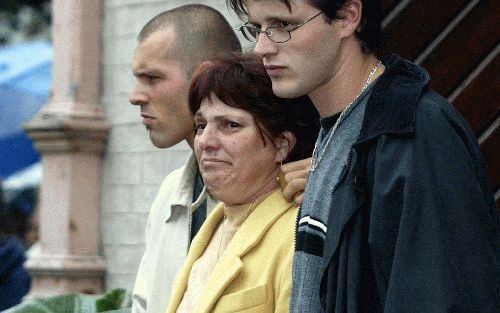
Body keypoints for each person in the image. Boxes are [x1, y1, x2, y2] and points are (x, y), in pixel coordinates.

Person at [228, 0, 499, 312]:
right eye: (257, 28)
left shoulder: (413, 133)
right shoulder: (338, 130)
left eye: (284, 26)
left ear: (347, 17)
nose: (261, 47)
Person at [128, 4, 311, 312]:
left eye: (152, 78)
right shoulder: (175, 195)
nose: (135, 95)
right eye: (201, 125)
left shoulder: (301, 216)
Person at [166, 53, 319, 313]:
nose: (205, 141)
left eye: (230, 125)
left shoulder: (299, 232)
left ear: (282, 145)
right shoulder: (213, 226)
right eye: (201, 125)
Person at [128, 5, 241, 313]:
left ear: (204, 76)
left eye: (151, 78)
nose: (135, 96)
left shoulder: (285, 186)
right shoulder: (169, 192)